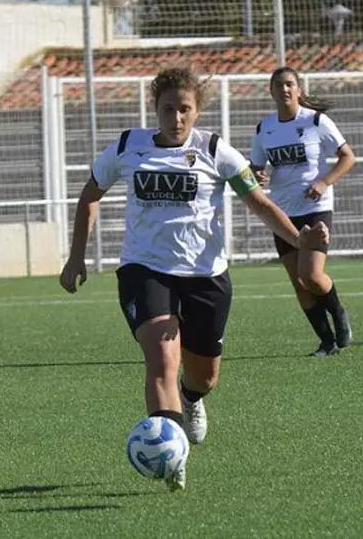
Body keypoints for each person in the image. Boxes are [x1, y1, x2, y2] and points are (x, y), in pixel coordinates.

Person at [58, 67, 328, 491]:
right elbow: (89, 195)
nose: (176, 118)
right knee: (162, 361)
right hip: (144, 270)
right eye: (168, 109)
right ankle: (171, 451)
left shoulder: (216, 151)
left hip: (205, 275)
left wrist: (300, 239)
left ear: (197, 111)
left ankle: (192, 400)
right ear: (156, 109)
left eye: (185, 109)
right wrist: (76, 257)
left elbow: (258, 203)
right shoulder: (129, 146)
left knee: (202, 376)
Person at [249, 66, 357, 357]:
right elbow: (256, 169)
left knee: (311, 275)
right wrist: (258, 176)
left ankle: (339, 314)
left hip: (315, 207)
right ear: (270, 91)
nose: (284, 90)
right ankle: (326, 341)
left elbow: (348, 158)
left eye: (289, 84)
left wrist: (324, 182)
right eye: (278, 85)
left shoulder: (317, 121)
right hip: (281, 214)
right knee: (298, 283)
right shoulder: (264, 129)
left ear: (298, 90)